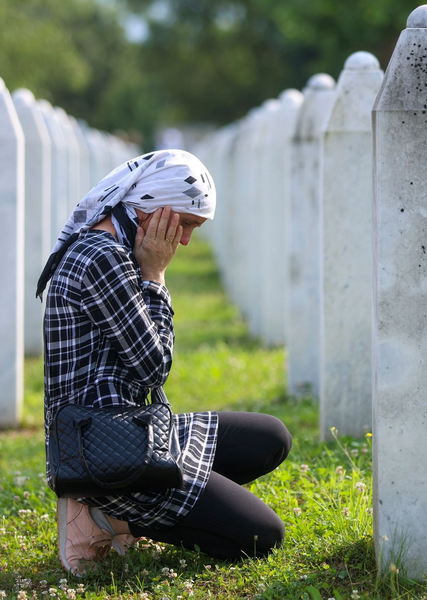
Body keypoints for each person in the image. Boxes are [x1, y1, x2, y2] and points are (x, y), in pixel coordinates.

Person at [36, 149, 292, 576]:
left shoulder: (115, 245)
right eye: (187, 224)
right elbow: (154, 368)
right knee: (263, 537)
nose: (187, 239)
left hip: (130, 426)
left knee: (271, 437)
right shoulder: (105, 258)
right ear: (156, 210)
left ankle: (126, 510)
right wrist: (155, 276)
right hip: (106, 454)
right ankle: (109, 516)